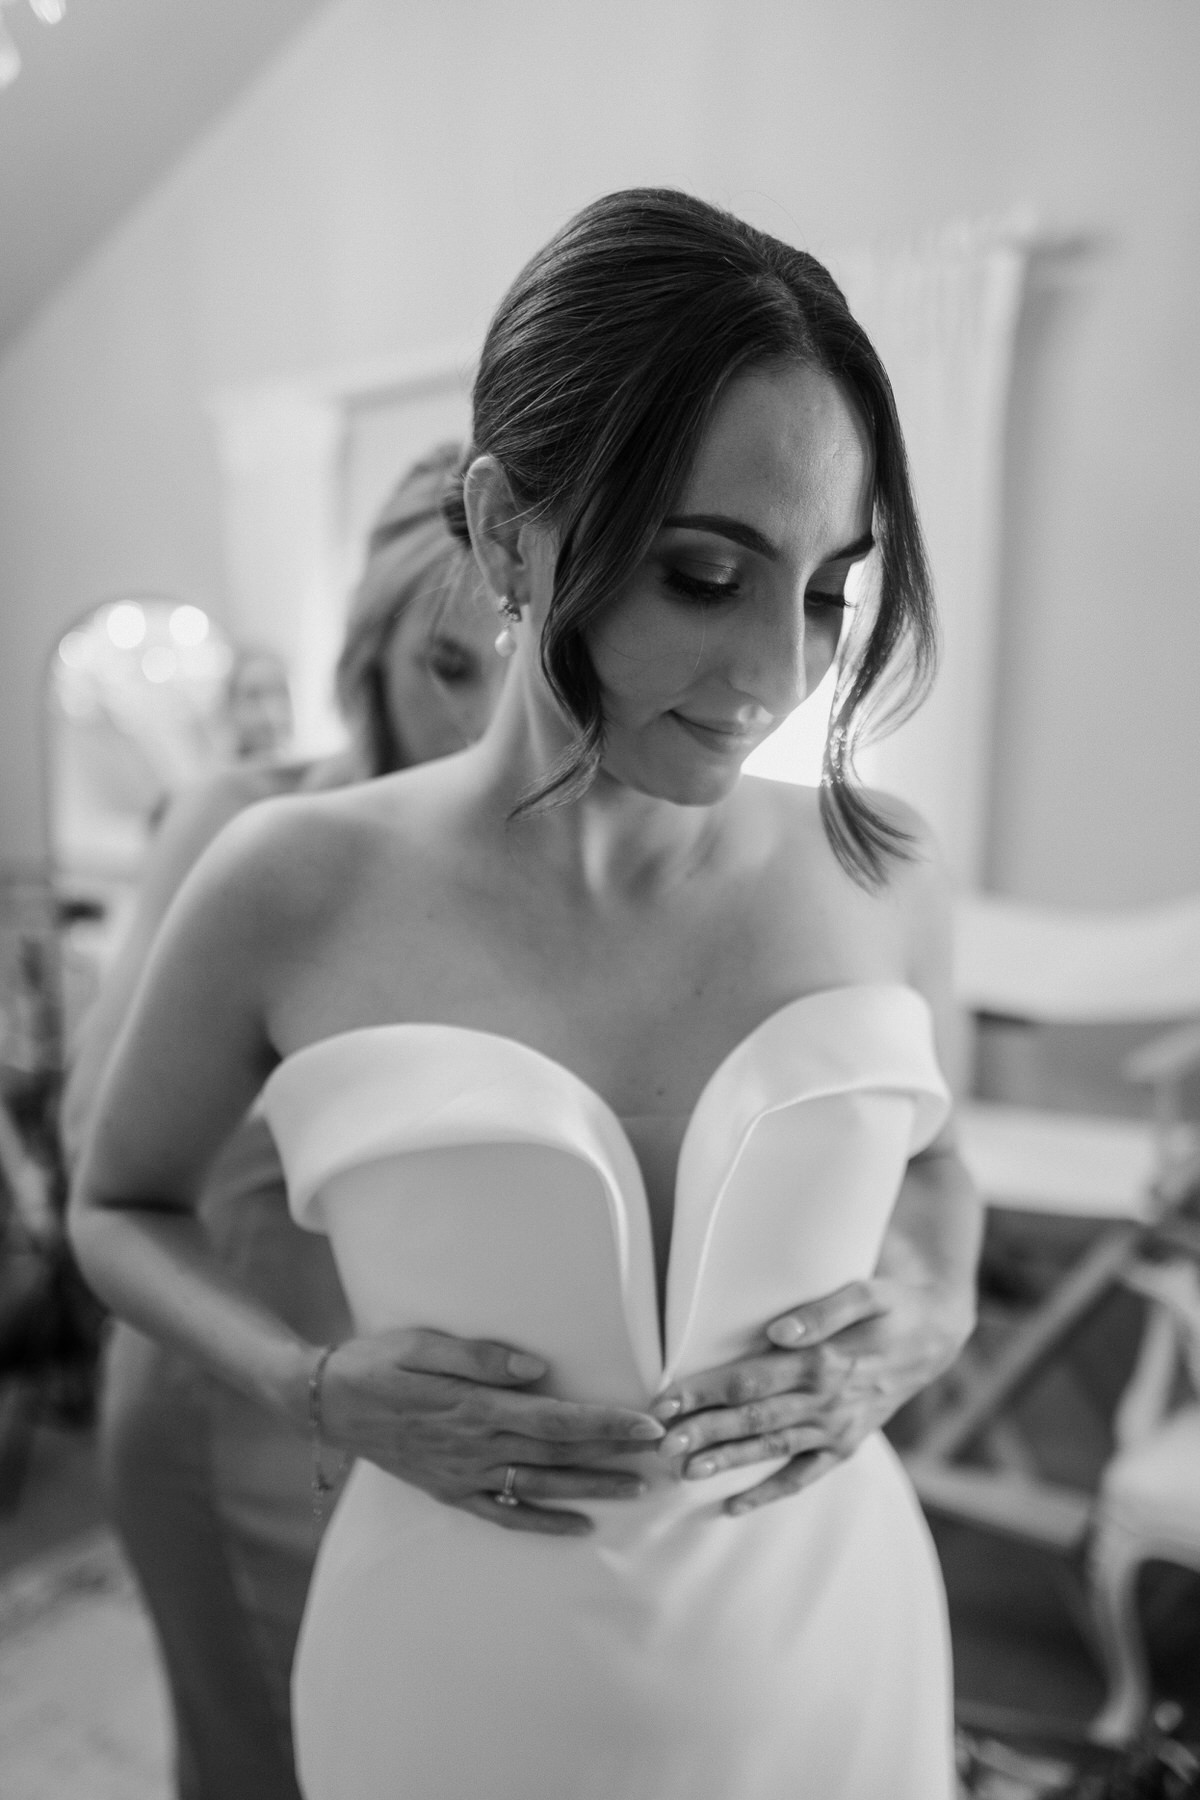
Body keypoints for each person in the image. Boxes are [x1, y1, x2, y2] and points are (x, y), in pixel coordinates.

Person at [69, 190, 983, 1800]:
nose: (777, 679)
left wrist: (935, 1307)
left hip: (831, 1652)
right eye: (706, 575)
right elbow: (116, 1201)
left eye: (831, 589)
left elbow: (938, 1165)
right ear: (503, 532)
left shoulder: (885, 863)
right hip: (451, 1676)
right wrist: (307, 1382)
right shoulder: (291, 878)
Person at [60, 443, 509, 1800]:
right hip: (230, 1391)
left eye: (524, 673)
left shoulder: (520, 864)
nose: (484, 725)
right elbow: (98, 1133)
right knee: (267, 1757)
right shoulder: (247, 824)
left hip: (402, 1424)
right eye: (448, 668)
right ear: (370, 645)